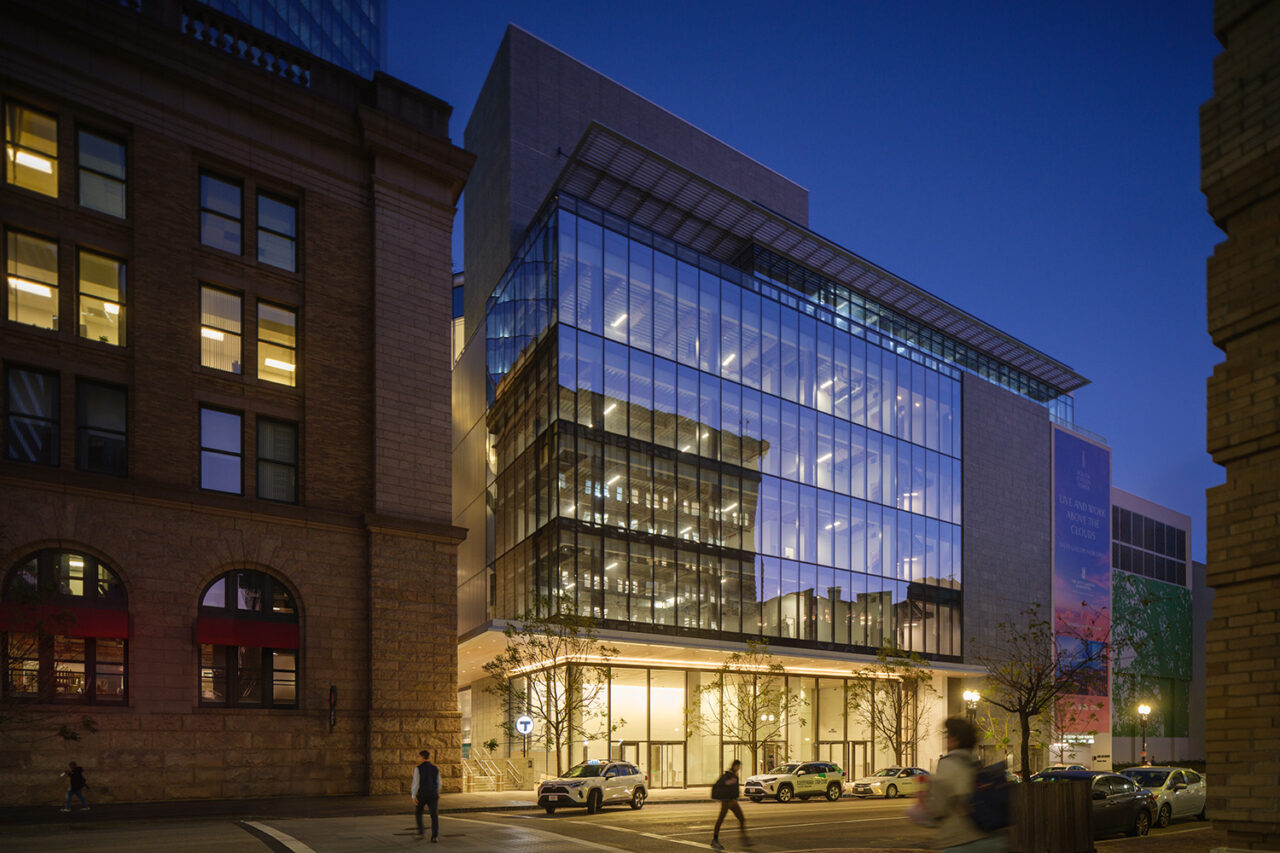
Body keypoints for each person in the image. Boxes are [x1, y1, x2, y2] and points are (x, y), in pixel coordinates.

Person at [925, 717, 1005, 852]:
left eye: (947, 735)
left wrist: (923, 798)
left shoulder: (947, 764)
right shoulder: (976, 763)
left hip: (960, 843)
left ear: (955, 739)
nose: (945, 740)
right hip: (992, 840)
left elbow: (938, 810)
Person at [711, 759, 751, 848]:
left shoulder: (733, 776)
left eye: (739, 767)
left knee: (741, 819)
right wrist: (728, 783)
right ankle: (715, 840)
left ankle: (744, 839)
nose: (738, 768)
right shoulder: (728, 776)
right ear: (734, 766)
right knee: (721, 819)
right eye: (738, 766)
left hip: (732, 801)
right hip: (726, 801)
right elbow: (724, 785)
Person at [411, 749, 441, 842]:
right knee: (434, 815)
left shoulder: (418, 768)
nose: (419, 758)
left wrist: (414, 795)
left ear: (422, 757)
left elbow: (416, 783)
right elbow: (439, 783)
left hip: (422, 794)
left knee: (419, 813)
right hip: (433, 794)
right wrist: (437, 793)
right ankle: (435, 836)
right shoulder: (435, 768)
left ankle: (421, 832)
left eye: (419, 757)